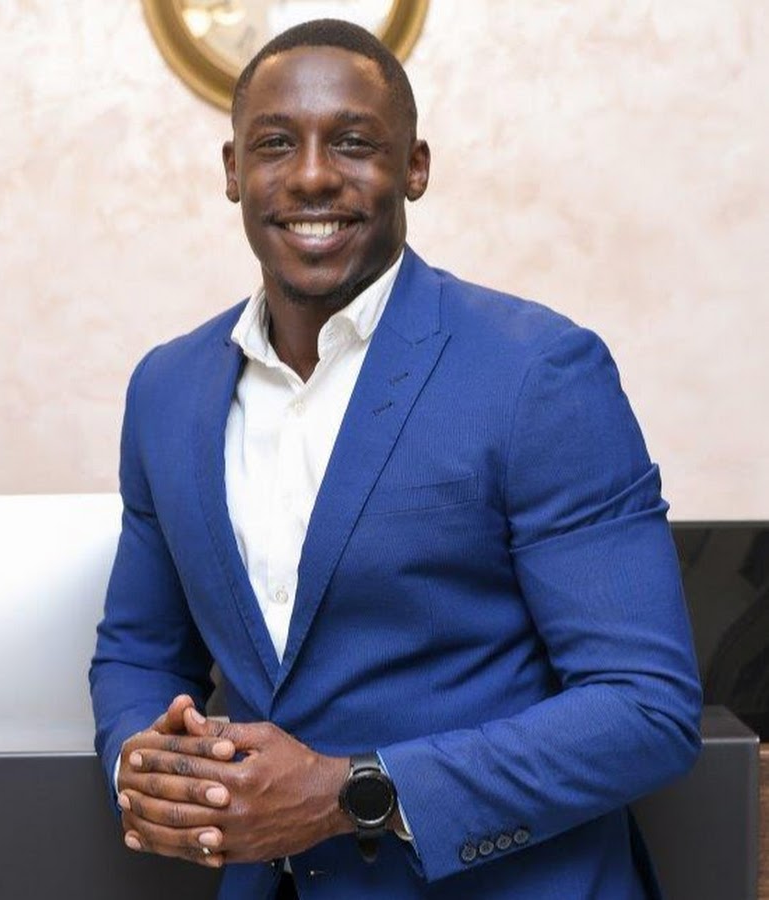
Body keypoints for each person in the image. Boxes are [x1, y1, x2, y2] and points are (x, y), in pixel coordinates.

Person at [89, 18, 701, 900]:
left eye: (352, 142)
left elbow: (645, 707)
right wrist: (140, 768)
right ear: (232, 171)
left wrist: (352, 794)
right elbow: (140, 649)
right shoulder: (166, 389)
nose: (310, 174)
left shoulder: (537, 372)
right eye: (275, 144)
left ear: (414, 167)